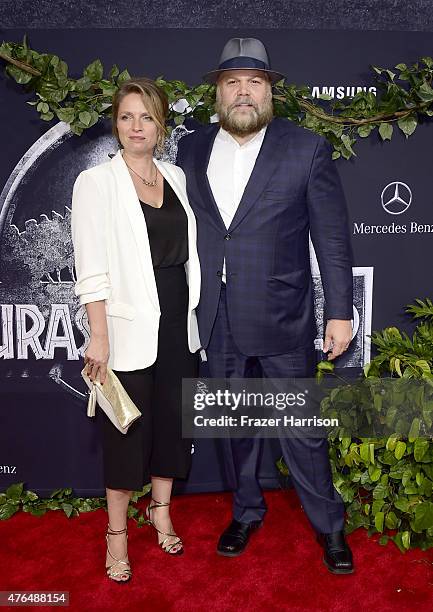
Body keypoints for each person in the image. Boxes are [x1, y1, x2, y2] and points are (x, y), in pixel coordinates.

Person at [177, 38, 355, 574]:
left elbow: (333, 238)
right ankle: (247, 510)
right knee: (235, 426)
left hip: (283, 315)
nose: (243, 92)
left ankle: (329, 527)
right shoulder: (191, 148)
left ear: (271, 89)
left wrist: (340, 312)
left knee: (300, 429)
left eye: (254, 82)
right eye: (232, 82)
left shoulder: (306, 148)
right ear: (218, 91)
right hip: (217, 314)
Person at [71, 78, 201, 582]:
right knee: (126, 431)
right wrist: (98, 334)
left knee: (172, 422)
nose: (136, 127)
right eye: (126, 117)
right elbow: (92, 268)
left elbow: (191, 254)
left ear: (161, 124)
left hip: (177, 322)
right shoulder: (96, 183)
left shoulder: (175, 176)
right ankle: (117, 534)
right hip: (125, 328)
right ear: (116, 125)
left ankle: (161, 511)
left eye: (146, 117)